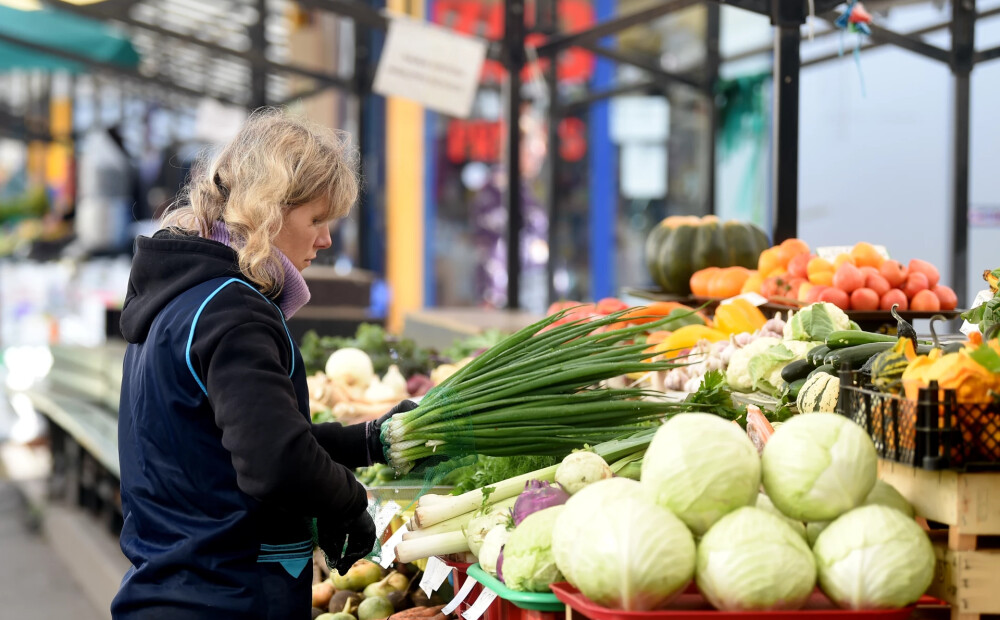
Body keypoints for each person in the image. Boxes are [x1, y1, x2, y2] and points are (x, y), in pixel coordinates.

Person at [111, 109, 413, 619]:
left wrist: (366, 442)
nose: (326, 240)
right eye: (316, 220)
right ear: (268, 211)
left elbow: (243, 439)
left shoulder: (181, 299)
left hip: (174, 591)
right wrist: (348, 504)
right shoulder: (233, 311)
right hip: (224, 600)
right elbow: (276, 460)